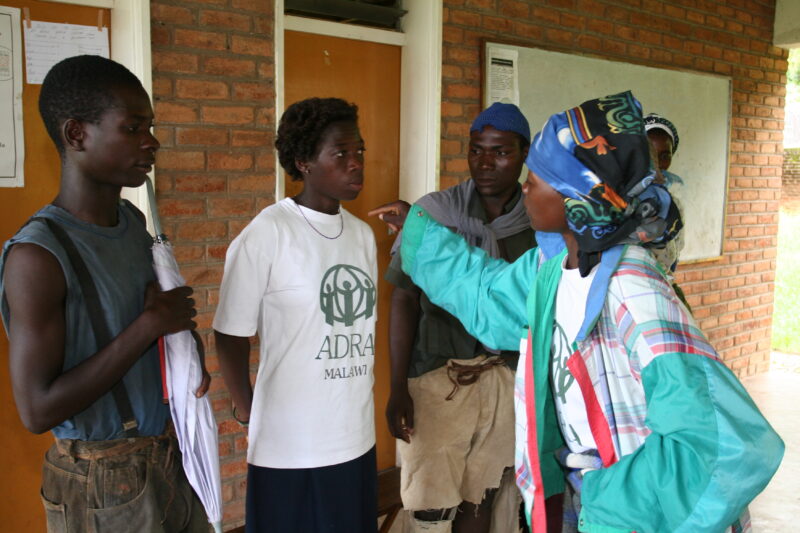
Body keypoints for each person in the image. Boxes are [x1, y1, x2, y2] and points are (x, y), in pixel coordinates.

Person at [395, 91, 783, 533]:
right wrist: (419, 234)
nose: (525, 187)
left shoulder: (633, 290)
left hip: (635, 516)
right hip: (588, 501)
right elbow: (488, 296)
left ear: (576, 196)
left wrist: (616, 502)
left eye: (537, 180)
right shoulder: (553, 271)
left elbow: (724, 443)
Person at [0, 55, 210, 532]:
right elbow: (38, 409)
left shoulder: (133, 223)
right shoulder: (38, 255)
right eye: (133, 128)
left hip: (166, 457)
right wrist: (149, 328)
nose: (151, 141)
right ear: (77, 135)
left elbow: (148, 322)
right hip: (97, 478)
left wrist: (181, 348)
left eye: (150, 126)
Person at [213, 97, 378, 533]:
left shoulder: (362, 236)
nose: (356, 163)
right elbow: (229, 333)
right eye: (340, 154)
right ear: (303, 162)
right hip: (289, 445)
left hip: (355, 436)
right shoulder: (268, 233)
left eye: (359, 151)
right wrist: (249, 410)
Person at [381, 102, 534, 533]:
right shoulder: (434, 214)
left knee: (483, 495)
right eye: (476, 150)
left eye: (500, 151)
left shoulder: (540, 222)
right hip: (438, 378)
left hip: (506, 377)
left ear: (523, 154)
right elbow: (404, 300)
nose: (485, 162)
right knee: (431, 503)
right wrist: (396, 388)